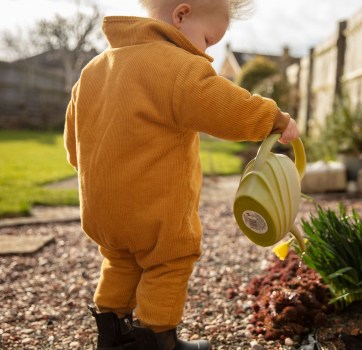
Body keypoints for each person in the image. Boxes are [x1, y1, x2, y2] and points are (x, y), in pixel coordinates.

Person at [64, 0, 300, 349]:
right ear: (181, 15)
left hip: (102, 209)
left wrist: (97, 176)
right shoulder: (176, 67)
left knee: (120, 260)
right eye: (207, 39)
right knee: (169, 259)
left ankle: (112, 336)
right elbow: (224, 106)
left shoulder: (94, 70)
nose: (207, 53)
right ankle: (160, 340)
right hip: (153, 207)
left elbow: (74, 141)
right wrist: (274, 119)